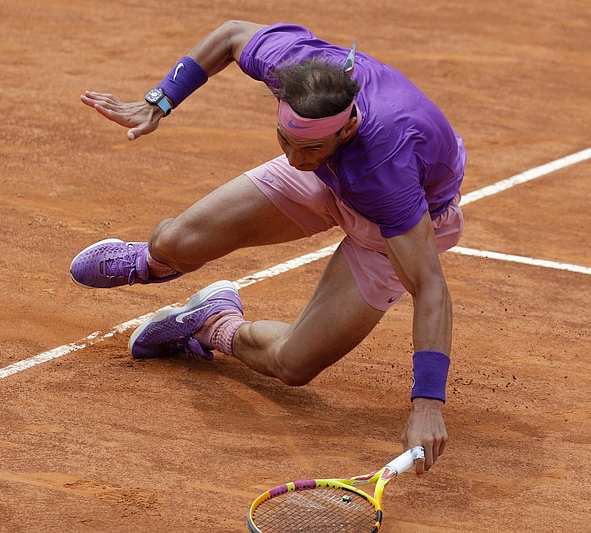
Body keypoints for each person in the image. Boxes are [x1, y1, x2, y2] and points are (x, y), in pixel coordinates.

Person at [71, 20, 466, 475]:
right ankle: (154, 262)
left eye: (309, 148)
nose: (295, 159)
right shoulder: (298, 73)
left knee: (293, 365)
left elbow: (430, 288)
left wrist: (427, 403)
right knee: (173, 240)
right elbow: (231, 36)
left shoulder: (386, 167)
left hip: (390, 223)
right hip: (331, 178)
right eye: (286, 142)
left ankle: (211, 322)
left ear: (348, 128)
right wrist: (159, 101)